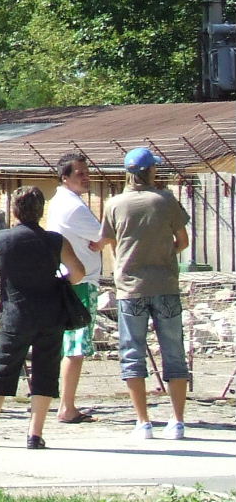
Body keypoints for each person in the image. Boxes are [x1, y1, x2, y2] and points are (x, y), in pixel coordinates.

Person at [0, 185, 85, 449]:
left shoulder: (0, 240)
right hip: (50, 313)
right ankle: (35, 434)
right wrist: (59, 280)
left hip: (15, 314)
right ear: (41, 211)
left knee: (1, 371)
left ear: (14, 210)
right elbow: (77, 273)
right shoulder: (56, 240)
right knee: (45, 372)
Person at [99, 147, 191, 440]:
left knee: (131, 353)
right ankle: (177, 420)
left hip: (130, 288)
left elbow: (108, 241)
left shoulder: (114, 204)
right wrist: (165, 252)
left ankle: (143, 421)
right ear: (150, 171)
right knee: (174, 352)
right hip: (164, 285)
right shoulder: (165, 200)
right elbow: (183, 240)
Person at [45, 152, 105, 423]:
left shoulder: (61, 201)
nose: (85, 177)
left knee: (62, 345)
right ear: (65, 177)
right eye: (79, 173)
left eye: (86, 172)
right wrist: (103, 242)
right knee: (76, 346)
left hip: (67, 279)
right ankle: (67, 406)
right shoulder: (74, 207)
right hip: (81, 281)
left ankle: (55, 400)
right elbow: (104, 234)